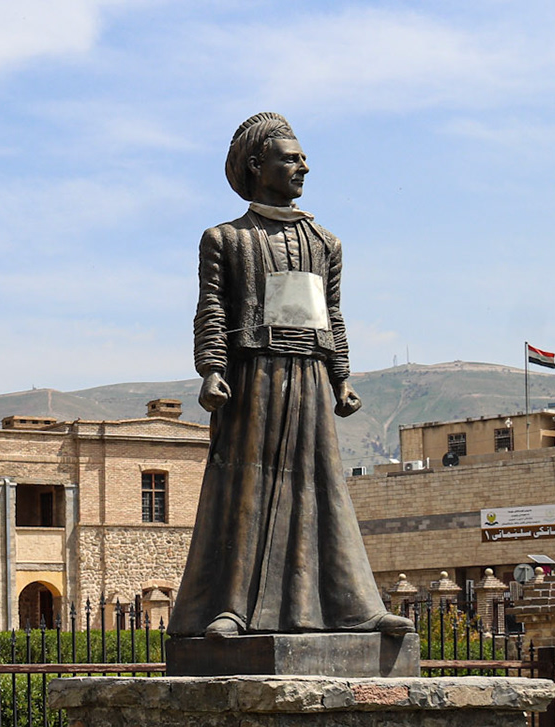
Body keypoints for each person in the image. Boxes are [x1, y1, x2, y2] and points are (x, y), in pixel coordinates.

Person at [167, 113, 413, 640]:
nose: (304, 166)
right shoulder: (225, 239)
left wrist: (341, 376)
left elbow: (334, 312)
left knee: (323, 489)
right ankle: (231, 609)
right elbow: (210, 306)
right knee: (246, 487)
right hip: (250, 379)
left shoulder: (326, 242)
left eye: (303, 158)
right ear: (257, 166)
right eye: (291, 158)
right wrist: (211, 370)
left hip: (309, 380)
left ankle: (354, 609)